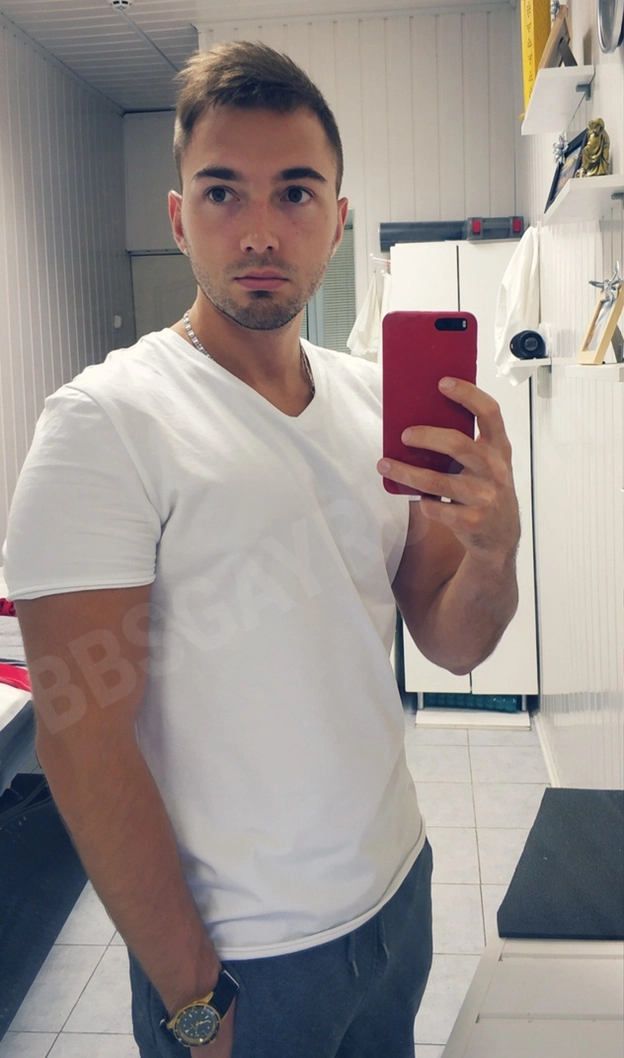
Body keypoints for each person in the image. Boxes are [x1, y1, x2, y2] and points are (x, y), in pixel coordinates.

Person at [2, 42, 520, 1058]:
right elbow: (79, 739)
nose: (259, 229)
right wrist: (194, 997)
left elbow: (452, 641)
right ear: (178, 217)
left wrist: (495, 552)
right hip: (246, 958)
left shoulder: (372, 403)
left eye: (294, 191)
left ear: (337, 217)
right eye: (222, 192)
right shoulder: (104, 423)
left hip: (397, 896)